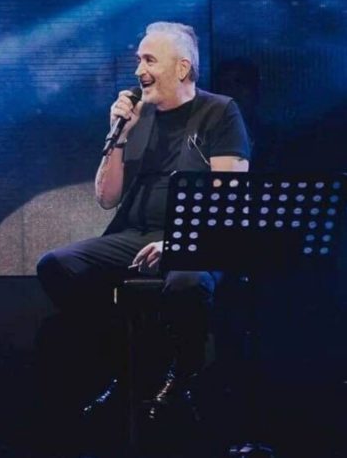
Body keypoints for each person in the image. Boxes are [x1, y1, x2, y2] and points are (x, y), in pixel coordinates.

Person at [36, 21, 250, 420]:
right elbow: (107, 198)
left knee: (187, 281)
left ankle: (182, 376)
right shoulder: (137, 116)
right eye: (138, 60)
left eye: (149, 60)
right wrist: (119, 134)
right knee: (58, 266)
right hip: (135, 234)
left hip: (198, 238)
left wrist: (176, 243)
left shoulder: (219, 111)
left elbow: (229, 199)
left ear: (182, 68)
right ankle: (126, 366)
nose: (139, 70)